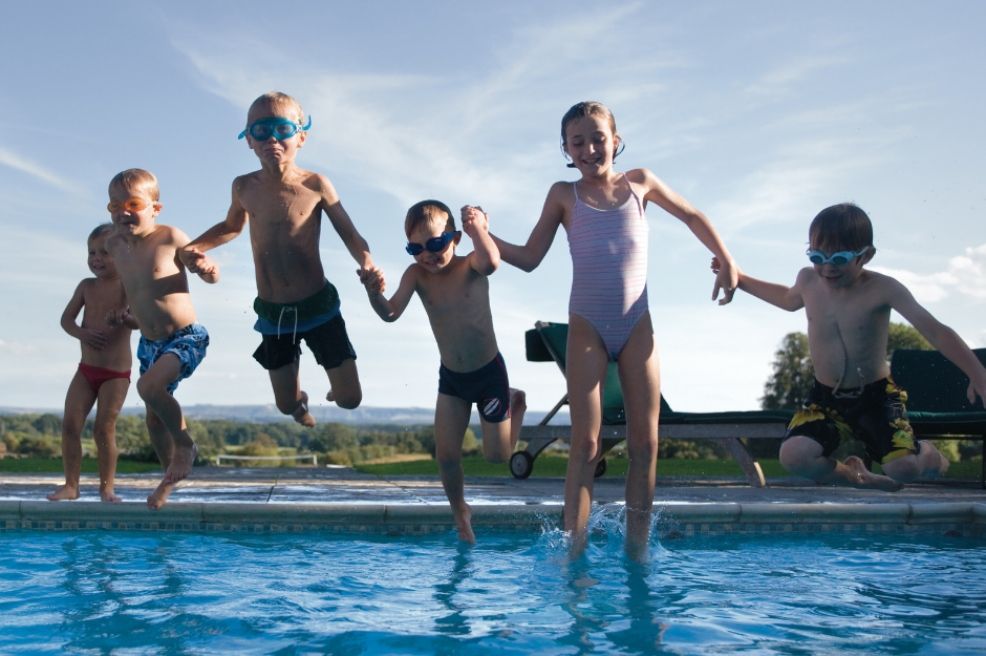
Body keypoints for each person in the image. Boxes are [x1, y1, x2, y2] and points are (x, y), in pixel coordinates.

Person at [490, 101, 738, 558]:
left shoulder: (640, 182)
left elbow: (691, 214)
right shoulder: (564, 195)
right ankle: (574, 549)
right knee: (586, 443)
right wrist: (484, 236)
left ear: (616, 140)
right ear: (565, 149)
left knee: (646, 441)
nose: (589, 148)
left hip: (637, 326)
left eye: (597, 138)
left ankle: (637, 551)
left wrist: (726, 258)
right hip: (587, 327)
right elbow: (528, 258)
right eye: (577, 142)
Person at [715, 202, 986, 490]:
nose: (827, 268)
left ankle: (928, 454)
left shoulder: (884, 289)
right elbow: (786, 299)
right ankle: (857, 477)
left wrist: (978, 374)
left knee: (903, 469)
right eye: (817, 256)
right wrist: (739, 279)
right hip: (825, 398)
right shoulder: (808, 280)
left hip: (877, 397)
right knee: (795, 456)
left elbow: (936, 331)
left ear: (865, 255)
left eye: (840, 259)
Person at [181, 91, 377, 427]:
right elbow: (231, 227)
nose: (272, 137)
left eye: (282, 129)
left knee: (350, 399)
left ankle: (334, 392)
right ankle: (299, 404)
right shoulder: (244, 187)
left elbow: (349, 232)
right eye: (260, 130)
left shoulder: (316, 184)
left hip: (318, 306)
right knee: (285, 404)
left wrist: (367, 261)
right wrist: (195, 247)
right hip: (275, 313)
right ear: (249, 142)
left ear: (301, 137)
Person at [360, 200, 526, 543]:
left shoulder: (472, 265)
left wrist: (479, 226)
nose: (427, 254)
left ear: (455, 238)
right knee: (447, 455)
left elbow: (493, 262)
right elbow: (390, 313)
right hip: (452, 378)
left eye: (436, 244)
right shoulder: (416, 275)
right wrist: (373, 292)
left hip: (489, 374)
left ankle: (515, 404)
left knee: (499, 457)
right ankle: (459, 511)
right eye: (416, 248)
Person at [105, 168, 219, 509]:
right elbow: (133, 287)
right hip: (150, 343)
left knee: (148, 389)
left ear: (155, 207)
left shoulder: (170, 236)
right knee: (154, 418)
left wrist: (207, 270)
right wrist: (128, 314)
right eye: (114, 206)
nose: (123, 212)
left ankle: (185, 445)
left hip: (186, 337)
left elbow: (204, 269)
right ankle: (167, 482)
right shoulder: (114, 244)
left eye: (133, 203)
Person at [49, 224, 136, 503]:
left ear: (122, 254)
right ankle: (71, 486)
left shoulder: (128, 286)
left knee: (103, 428)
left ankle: (106, 488)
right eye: (91, 252)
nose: (96, 258)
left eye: (104, 252)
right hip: (86, 371)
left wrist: (123, 319)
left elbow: (140, 322)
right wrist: (82, 333)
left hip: (115, 373)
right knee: (70, 425)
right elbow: (66, 320)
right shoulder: (86, 287)